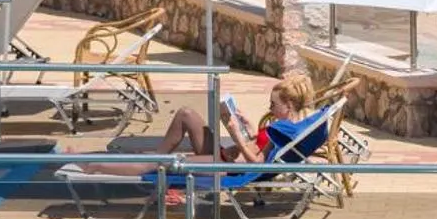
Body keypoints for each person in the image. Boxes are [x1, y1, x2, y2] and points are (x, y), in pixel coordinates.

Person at [71, 72, 325, 174]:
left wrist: (237, 135)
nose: (270, 109)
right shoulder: (286, 126)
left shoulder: (281, 128)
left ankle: (94, 166)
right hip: (227, 154)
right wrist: (248, 130)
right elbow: (260, 149)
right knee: (185, 113)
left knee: (161, 164)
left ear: (288, 106)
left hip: (230, 165)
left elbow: (257, 164)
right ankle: (153, 157)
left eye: (273, 105)